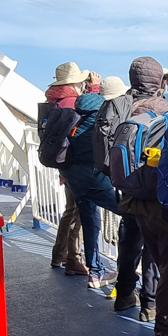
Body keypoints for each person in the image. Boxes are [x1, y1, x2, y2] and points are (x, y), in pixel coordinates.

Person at [118, 58, 168, 336]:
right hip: (163, 208)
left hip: (136, 202)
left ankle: (155, 313)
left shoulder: (131, 110)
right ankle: (166, 334)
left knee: (159, 264)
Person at [94, 71, 157, 321]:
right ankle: (150, 304)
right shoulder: (159, 106)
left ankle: (124, 295)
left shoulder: (118, 104)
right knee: (152, 247)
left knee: (129, 241)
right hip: (152, 188)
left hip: (126, 185)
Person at [62, 89, 119, 288]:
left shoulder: (73, 119)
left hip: (73, 180)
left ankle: (95, 272)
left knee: (90, 222)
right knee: (132, 213)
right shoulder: (102, 122)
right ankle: (127, 270)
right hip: (96, 181)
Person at [44, 62, 93, 276]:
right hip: (75, 164)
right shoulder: (73, 102)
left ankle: (59, 254)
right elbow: (90, 119)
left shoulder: (54, 100)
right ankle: (74, 258)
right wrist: (94, 91)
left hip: (62, 162)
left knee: (69, 211)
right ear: (75, 82)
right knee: (80, 212)